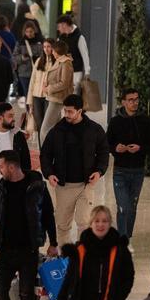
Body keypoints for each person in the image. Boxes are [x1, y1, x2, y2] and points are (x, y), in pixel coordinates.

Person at [0, 150, 58, 300]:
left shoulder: (37, 187)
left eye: (1, 166)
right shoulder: (0, 188)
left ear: (12, 167)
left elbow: (48, 215)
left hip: (28, 248)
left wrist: (53, 242)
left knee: (26, 292)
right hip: (5, 248)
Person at [39, 94, 109, 244]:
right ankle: (66, 254)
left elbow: (103, 152)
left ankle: (82, 254)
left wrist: (99, 171)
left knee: (84, 223)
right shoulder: (56, 131)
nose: (66, 114)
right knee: (63, 225)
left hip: (86, 184)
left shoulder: (94, 130)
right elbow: (45, 154)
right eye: (65, 111)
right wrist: (49, 174)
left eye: (70, 111)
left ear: (80, 111)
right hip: (64, 185)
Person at [107, 88, 150, 242]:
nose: (134, 103)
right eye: (131, 100)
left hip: (138, 171)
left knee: (132, 206)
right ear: (123, 102)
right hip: (120, 171)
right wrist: (116, 148)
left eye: (136, 99)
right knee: (123, 206)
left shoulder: (145, 121)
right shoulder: (115, 122)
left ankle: (127, 236)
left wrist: (140, 148)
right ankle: (122, 239)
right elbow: (107, 144)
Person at [38, 40, 73, 140]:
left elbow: (64, 83)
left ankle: (45, 149)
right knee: (55, 129)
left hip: (58, 99)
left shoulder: (65, 63)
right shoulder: (60, 61)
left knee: (45, 129)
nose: (52, 52)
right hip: (55, 97)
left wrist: (48, 88)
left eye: (53, 50)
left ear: (57, 51)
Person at [26, 38, 54, 145]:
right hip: (36, 97)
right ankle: (42, 148)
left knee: (47, 125)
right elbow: (32, 82)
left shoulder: (57, 62)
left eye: (49, 46)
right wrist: (30, 102)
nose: (46, 49)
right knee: (39, 124)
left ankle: (48, 147)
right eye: (44, 47)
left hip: (49, 97)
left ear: (53, 48)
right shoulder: (38, 61)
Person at [56, 14, 91, 90]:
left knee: (73, 94)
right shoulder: (60, 38)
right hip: (62, 72)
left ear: (64, 25)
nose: (58, 29)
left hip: (76, 72)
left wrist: (87, 72)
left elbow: (85, 55)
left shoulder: (79, 37)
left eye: (59, 26)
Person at [12, 21, 43, 102]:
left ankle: (35, 109)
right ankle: (29, 109)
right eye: (27, 31)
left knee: (36, 95)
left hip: (38, 72)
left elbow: (44, 55)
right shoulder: (20, 43)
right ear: (24, 32)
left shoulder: (40, 42)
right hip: (24, 73)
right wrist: (22, 58)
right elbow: (14, 57)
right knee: (27, 95)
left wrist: (38, 58)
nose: (29, 34)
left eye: (31, 31)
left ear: (34, 31)